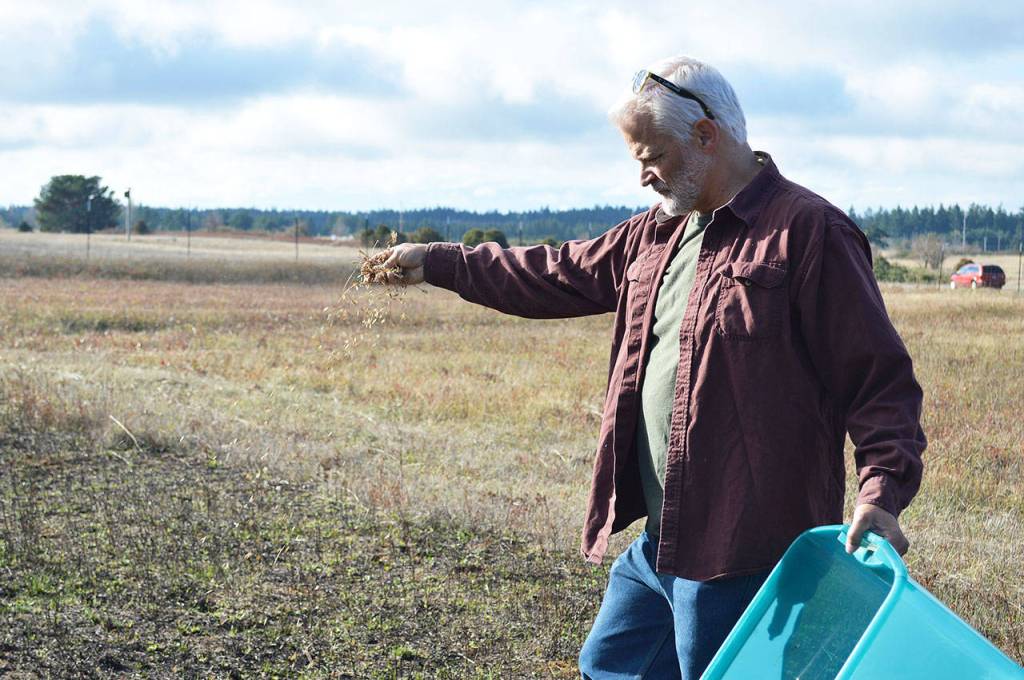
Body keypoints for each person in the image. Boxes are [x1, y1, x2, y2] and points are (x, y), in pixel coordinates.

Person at [381, 55, 925, 680]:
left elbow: (878, 379)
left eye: (652, 155)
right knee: (609, 667)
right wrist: (440, 262)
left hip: (748, 553)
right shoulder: (654, 234)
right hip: (660, 543)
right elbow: (553, 271)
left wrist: (882, 493)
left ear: (706, 135)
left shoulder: (807, 233)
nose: (643, 176)